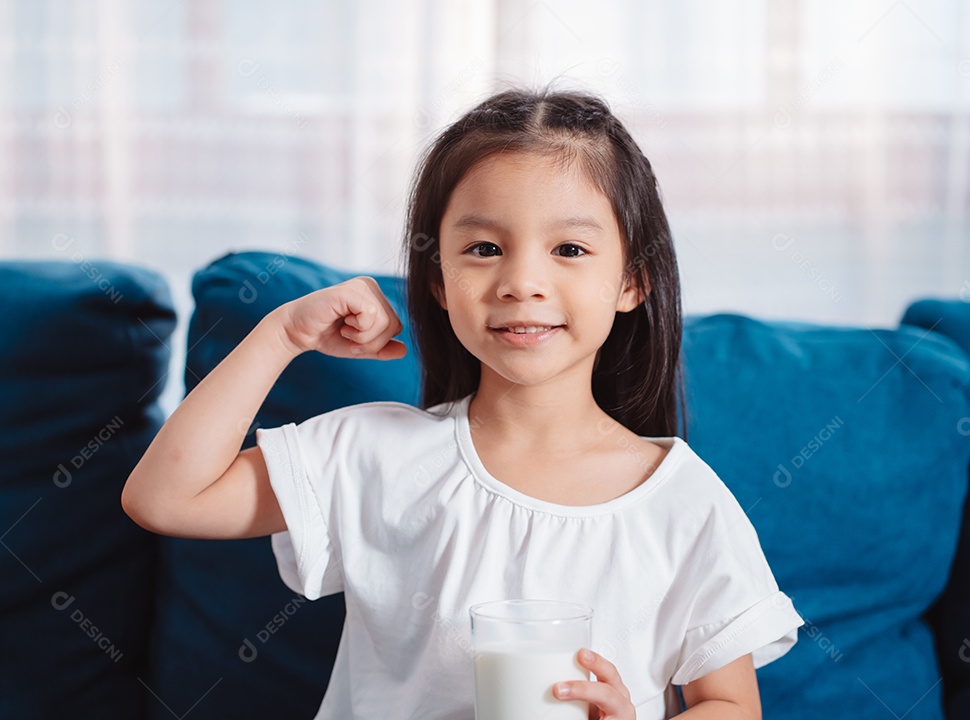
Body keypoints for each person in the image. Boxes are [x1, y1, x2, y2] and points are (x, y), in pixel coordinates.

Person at [122, 84, 804, 720]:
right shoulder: (372, 455)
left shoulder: (680, 501)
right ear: (440, 283)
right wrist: (280, 335)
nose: (522, 281)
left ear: (632, 282)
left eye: (568, 248)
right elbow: (165, 498)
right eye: (483, 248)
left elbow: (730, 703)